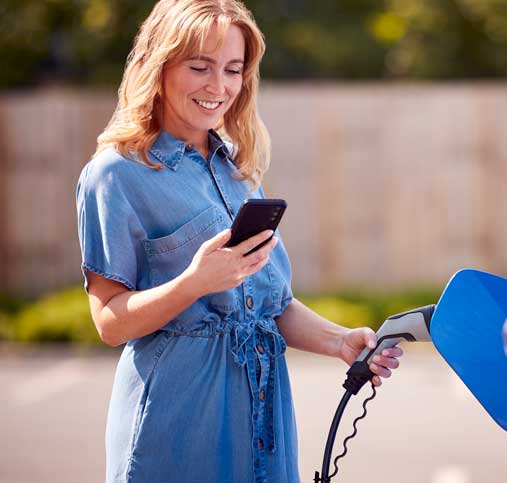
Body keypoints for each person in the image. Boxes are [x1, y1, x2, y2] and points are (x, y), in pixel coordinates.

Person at [75, 1, 402, 481]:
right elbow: (108, 322)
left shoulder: (239, 171)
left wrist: (341, 342)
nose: (219, 86)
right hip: (178, 422)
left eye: (233, 69)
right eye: (199, 66)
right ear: (159, 64)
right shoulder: (116, 173)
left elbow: (270, 305)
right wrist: (194, 282)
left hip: (264, 419)